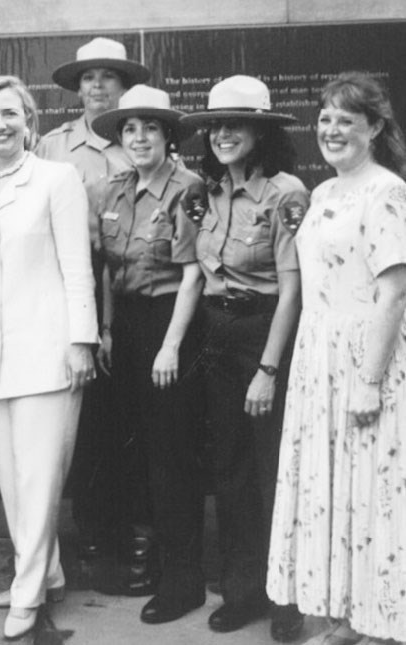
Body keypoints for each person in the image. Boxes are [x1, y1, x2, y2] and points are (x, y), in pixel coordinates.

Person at [267, 71, 406, 645]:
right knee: (332, 490)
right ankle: (348, 618)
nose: (332, 130)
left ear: (374, 128)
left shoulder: (388, 191)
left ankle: (383, 625)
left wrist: (370, 380)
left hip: (366, 356)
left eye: (346, 120)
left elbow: (395, 290)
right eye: (325, 118)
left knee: (372, 491)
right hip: (316, 356)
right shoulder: (321, 193)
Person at [0, 75, 98, 640]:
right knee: (14, 482)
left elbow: (77, 266)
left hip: (50, 348)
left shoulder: (57, 179)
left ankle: (28, 593)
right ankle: (44, 574)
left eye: (10, 114)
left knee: (40, 478)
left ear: (29, 121)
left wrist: (81, 340)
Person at [179, 75, 308, 638]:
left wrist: (269, 370)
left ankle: (286, 598)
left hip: (264, 334)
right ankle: (242, 591)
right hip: (217, 334)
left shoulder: (286, 194)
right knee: (229, 468)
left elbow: (292, 288)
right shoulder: (201, 194)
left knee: (271, 470)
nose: (222, 134)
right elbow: (196, 275)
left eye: (235, 123)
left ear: (260, 129)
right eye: (214, 125)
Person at [37, 36, 158, 576]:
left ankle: (136, 528)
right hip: (67, 286)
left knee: (130, 419)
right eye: (89, 78)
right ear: (77, 87)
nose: (98, 86)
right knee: (81, 422)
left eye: (109, 76)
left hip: (123, 286)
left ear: (124, 85)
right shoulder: (51, 145)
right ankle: (91, 528)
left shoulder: (142, 137)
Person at [89, 85, 206, 622]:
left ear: (167, 135)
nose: (138, 138)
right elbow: (110, 269)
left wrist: (171, 345)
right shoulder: (112, 190)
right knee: (130, 450)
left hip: (170, 324)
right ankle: (145, 557)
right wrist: (109, 331)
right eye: (129, 129)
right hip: (127, 328)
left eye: (150, 128)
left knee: (171, 454)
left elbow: (192, 274)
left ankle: (185, 580)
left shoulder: (189, 189)